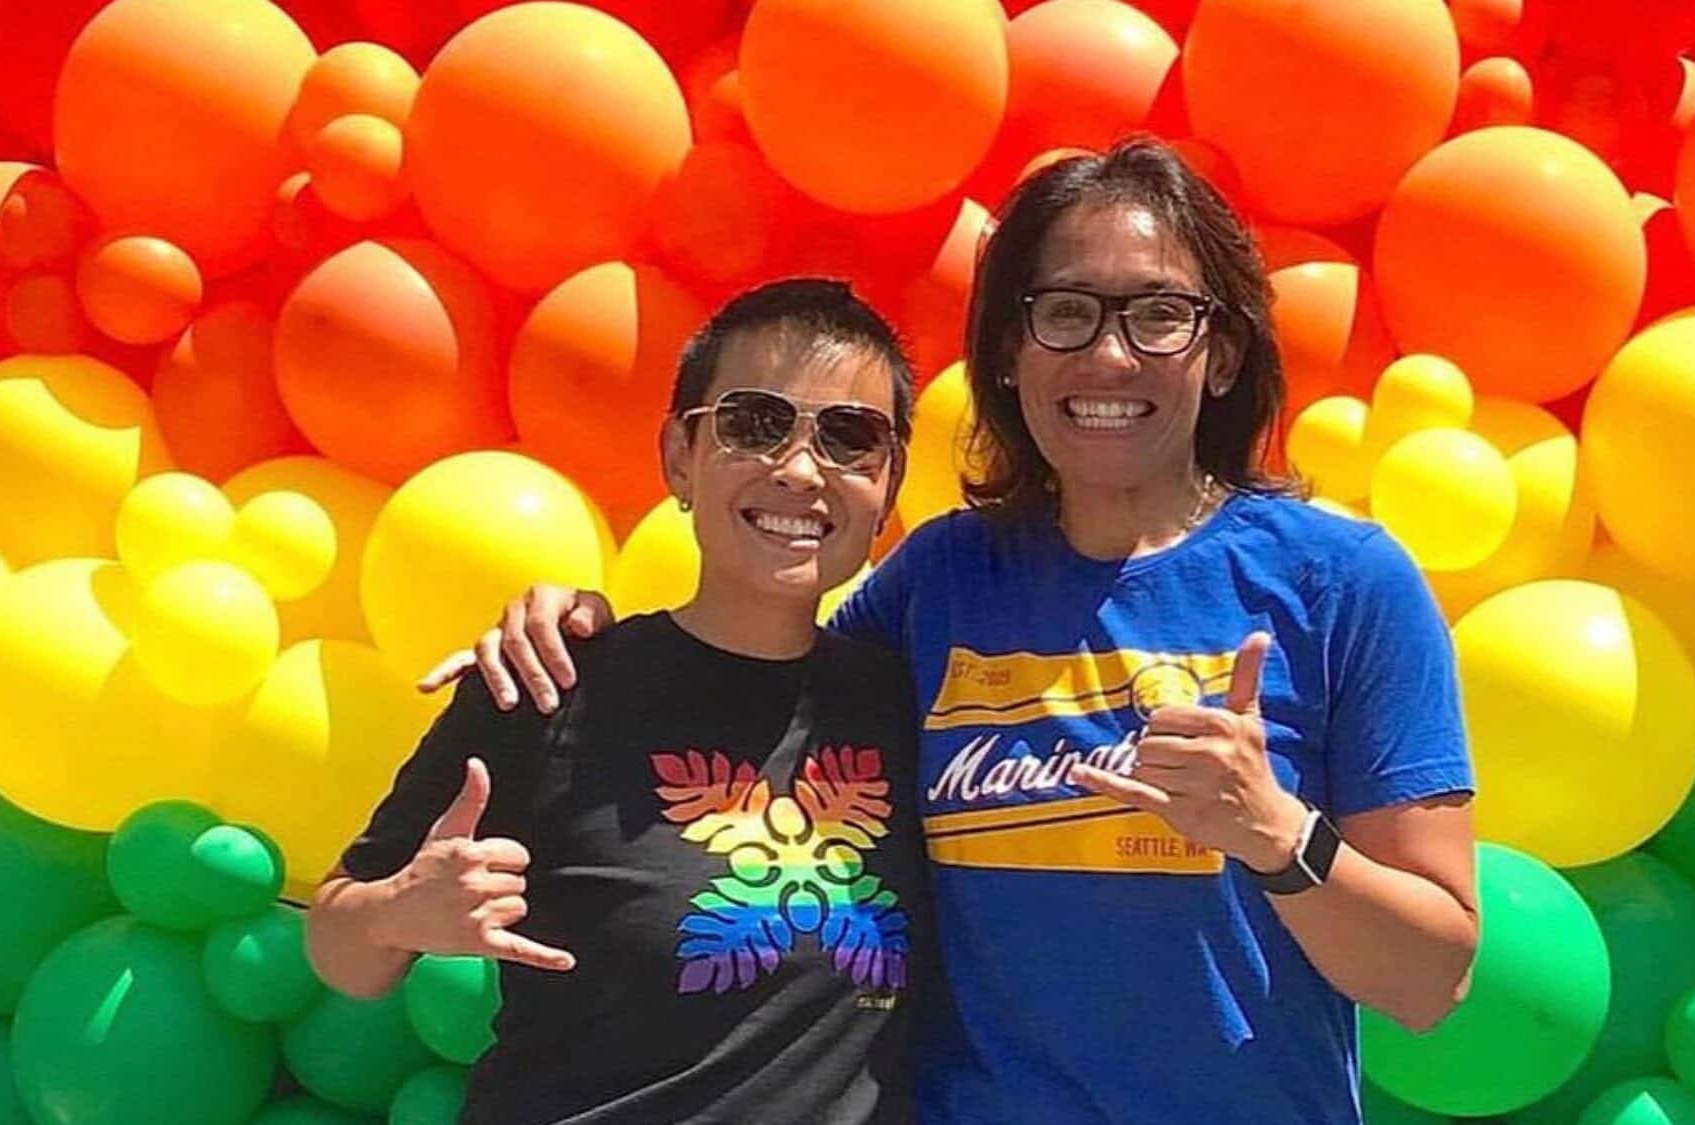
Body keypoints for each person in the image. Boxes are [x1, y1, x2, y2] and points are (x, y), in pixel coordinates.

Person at [430, 138, 1480, 1125]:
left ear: (1219, 355)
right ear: (1010, 357)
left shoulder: (1343, 584)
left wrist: (1275, 836)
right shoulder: (940, 580)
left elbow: (1432, 980)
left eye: (1157, 316)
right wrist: (583, 630)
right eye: (1064, 312)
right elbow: (756, 662)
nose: (1109, 356)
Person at [305, 280, 932, 1125]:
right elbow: (340, 950)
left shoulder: (910, 701)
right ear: (680, 456)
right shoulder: (553, 681)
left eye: (851, 438)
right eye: (755, 423)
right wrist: (397, 913)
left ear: (888, 487)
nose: (798, 469)